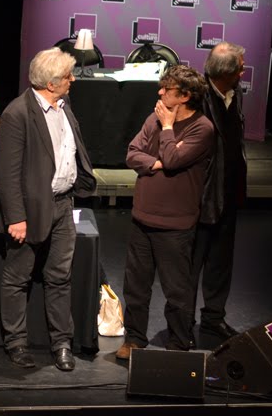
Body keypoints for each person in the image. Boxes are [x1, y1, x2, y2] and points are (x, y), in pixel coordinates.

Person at [0, 48, 95, 371]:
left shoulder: (63, 106)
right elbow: (7, 173)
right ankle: (16, 343)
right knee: (18, 278)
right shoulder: (18, 113)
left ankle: (62, 343)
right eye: (67, 76)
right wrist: (16, 217)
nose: (72, 80)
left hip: (63, 204)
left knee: (60, 277)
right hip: (30, 209)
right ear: (51, 83)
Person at [117, 65, 214, 360]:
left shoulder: (202, 128)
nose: (159, 93)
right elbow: (132, 153)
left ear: (184, 96)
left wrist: (168, 129)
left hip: (175, 224)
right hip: (142, 217)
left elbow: (172, 159)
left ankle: (178, 343)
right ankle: (134, 338)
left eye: (166, 89)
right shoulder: (154, 118)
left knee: (177, 290)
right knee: (136, 286)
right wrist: (155, 162)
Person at [191, 42, 247, 343]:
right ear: (227, 72)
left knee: (221, 262)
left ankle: (213, 318)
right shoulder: (197, 96)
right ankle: (182, 323)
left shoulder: (235, 93)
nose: (243, 72)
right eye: (240, 67)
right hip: (201, 196)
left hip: (229, 192)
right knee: (191, 265)